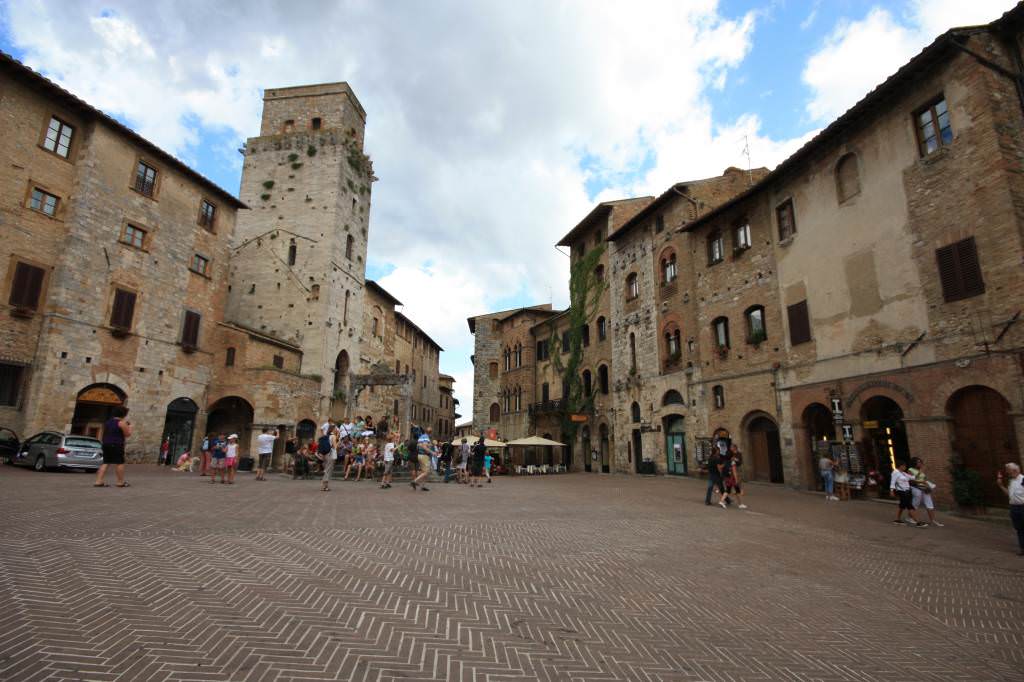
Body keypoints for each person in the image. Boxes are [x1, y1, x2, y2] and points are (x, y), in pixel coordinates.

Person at [94, 406, 132, 488]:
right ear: (123, 414)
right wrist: (130, 427)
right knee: (119, 463)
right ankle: (120, 482)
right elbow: (127, 434)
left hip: (106, 443)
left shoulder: (108, 422)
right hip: (116, 444)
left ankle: (98, 481)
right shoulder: (121, 423)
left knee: (106, 462)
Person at [996, 462, 1024, 555]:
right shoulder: (1011, 481)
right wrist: (1000, 486)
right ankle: (1022, 548)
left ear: (1015, 471)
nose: (1007, 474)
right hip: (1014, 508)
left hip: (1022, 507)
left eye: (1009, 472)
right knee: (1019, 529)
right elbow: (1009, 495)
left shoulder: (1023, 480)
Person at [908, 457, 943, 526]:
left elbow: (924, 478)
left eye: (920, 462)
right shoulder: (910, 469)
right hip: (916, 488)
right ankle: (910, 517)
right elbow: (910, 480)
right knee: (916, 503)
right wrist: (920, 474)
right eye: (918, 462)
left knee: (929, 503)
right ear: (914, 463)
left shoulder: (920, 470)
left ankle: (932, 520)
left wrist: (927, 483)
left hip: (924, 488)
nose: (920, 463)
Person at [890, 461, 927, 527]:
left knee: (902, 506)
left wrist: (920, 471)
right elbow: (892, 482)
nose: (905, 467)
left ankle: (897, 519)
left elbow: (912, 477)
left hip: (907, 491)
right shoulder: (895, 472)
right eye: (904, 466)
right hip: (902, 491)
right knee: (910, 506)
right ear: (900, 466)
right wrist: (892, 491)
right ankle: (918, 522)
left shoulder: (903, 473)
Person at [724, 444, 747, 509]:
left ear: (735, 448)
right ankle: (739, 502)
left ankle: (739, 491)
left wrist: (735, 459)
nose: (731, 448)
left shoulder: (738, 454)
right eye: (730, 447)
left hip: (737, 468)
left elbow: (740, 462)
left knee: (738, 481)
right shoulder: (730, 453)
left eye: (731, 447)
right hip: (732, 469)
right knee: (733, 484)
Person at [322, 426, 339, 492]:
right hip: (331, 454)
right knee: (328, 470)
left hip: (326, 454)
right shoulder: (333, 436)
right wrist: (338, 442)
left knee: (326, 469)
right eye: (336, 429)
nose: (337, 430)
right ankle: (325, 486)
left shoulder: (328, 436)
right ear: (333, 429)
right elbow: (335, 447)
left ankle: (324, 485)